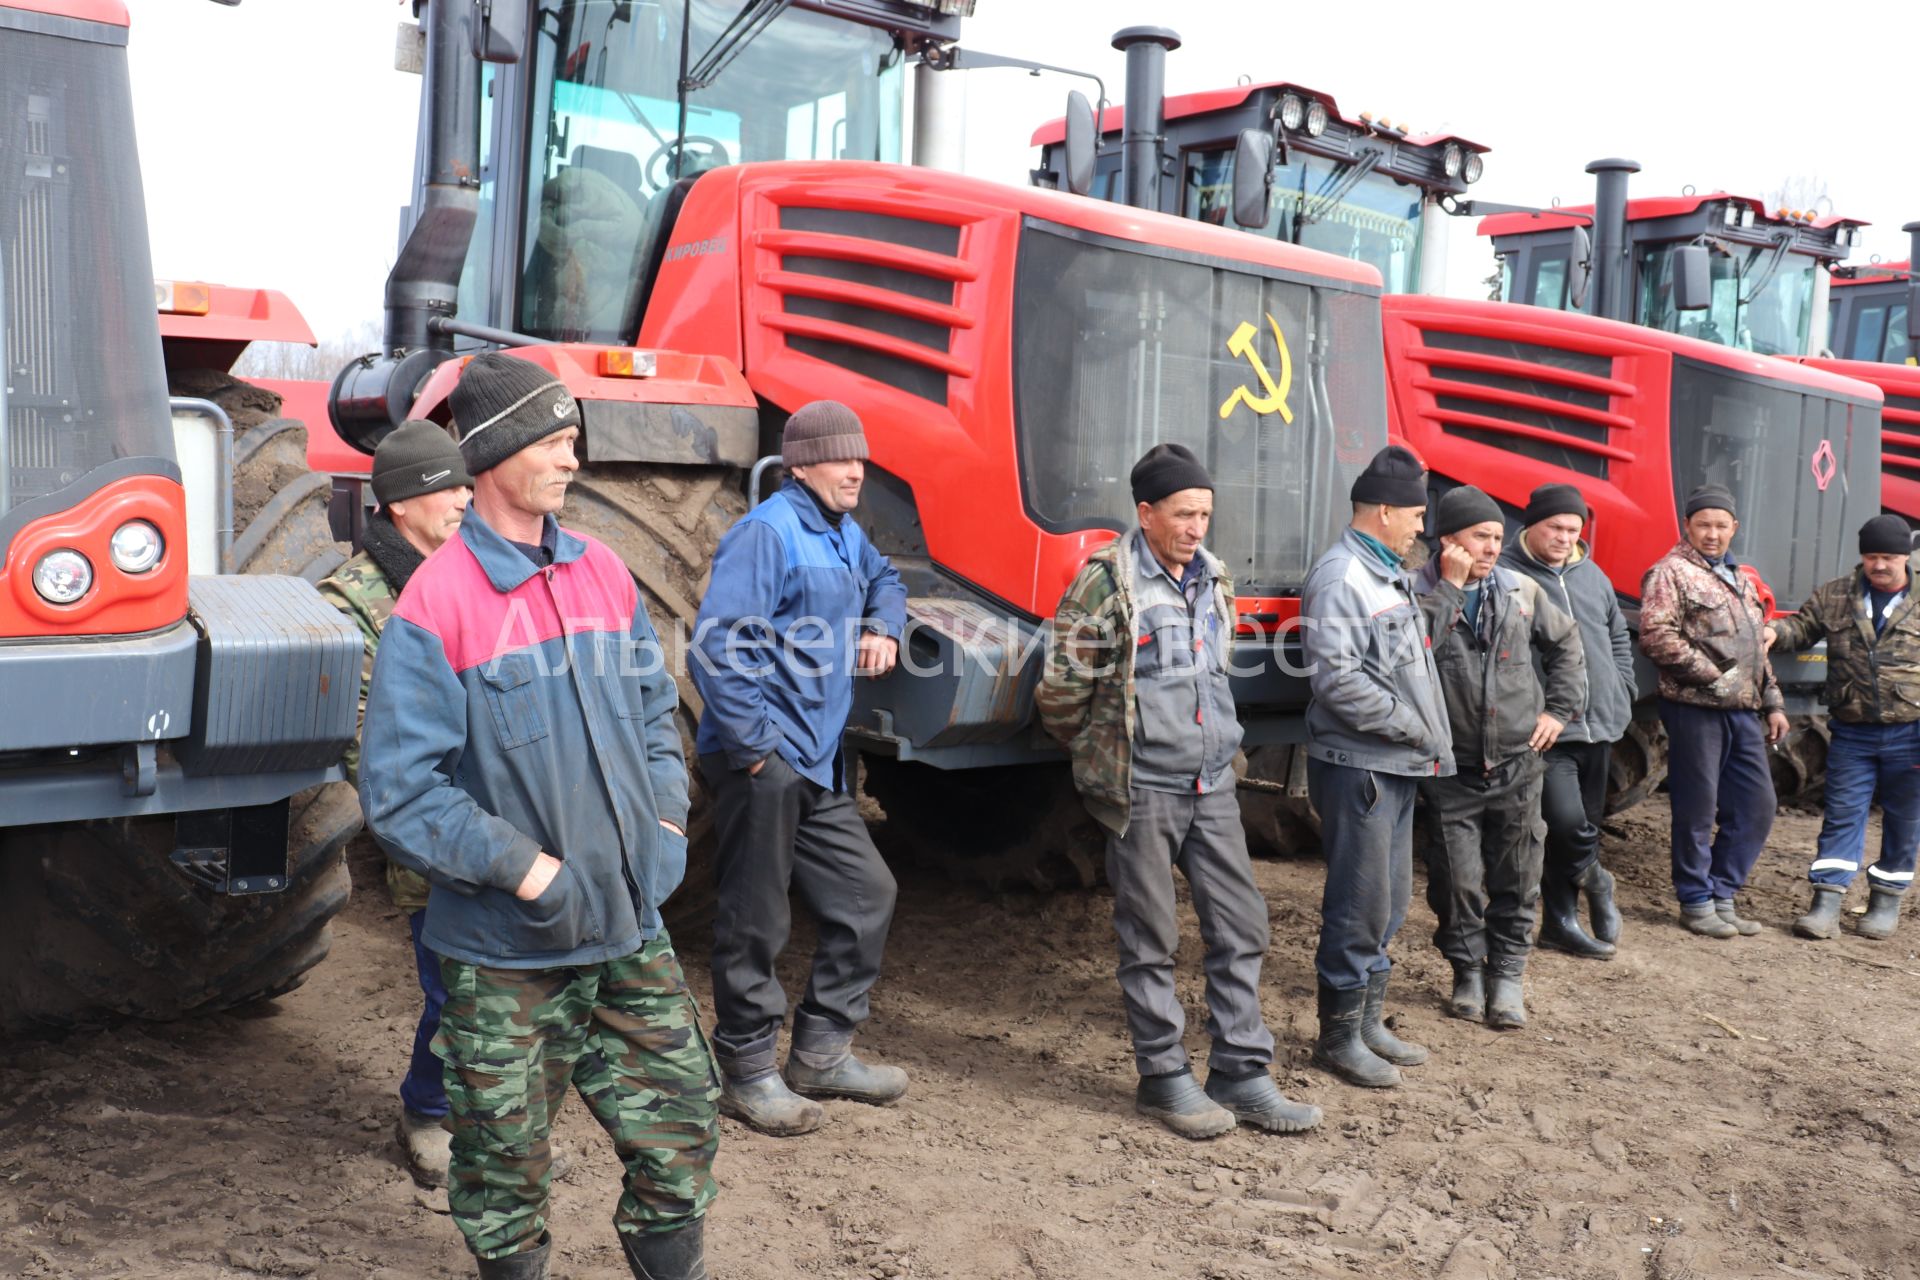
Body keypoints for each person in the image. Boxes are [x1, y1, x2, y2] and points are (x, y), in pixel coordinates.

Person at [360, 352, 717, 1280]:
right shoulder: (436, 604)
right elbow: (401, 790)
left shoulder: (602, 572)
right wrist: (528, 870)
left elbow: (650, 714)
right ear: (497, 450)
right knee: (504, 1173)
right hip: (508, 954)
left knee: (680, 1130)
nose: (572, 459)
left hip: (628, 925)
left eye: (572, 440)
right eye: (554, 441)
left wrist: (667, 826)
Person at [1038, 443, 1322, 1141]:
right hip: (1144, 789)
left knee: (1242, 926)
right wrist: (1109, 756)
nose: (1197, 527)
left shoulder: (1213, 578)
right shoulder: (1107, 584)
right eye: (1183, 513)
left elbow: (1214, 674)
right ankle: (1163, 1078)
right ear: (1146, 513)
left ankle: (1241, 1073)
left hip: (1212, 784)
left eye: (1205, 513)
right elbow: (1062, 693)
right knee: (1150, 937)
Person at [690, 400, 910, 1138]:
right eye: (842, 459)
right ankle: (747, 1074)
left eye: (861, 459)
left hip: (816, 760)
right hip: (766, 759)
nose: (856, 471)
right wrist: (757, 752)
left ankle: (820, 1052)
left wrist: (882, 626)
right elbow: (719, 646)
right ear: (802, 464)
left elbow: (889, 581)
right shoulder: (767, 533)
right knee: (756, 918)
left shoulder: (844, 533)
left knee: (867, 894)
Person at [316, 420, 472, 1188]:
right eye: (450, 488)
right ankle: (427, 1113)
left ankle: (494, 1124)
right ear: (404, 502)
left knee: (509, 987)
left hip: (506, 816)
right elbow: (366, 741)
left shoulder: (473, 574)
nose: (465, 500)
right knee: (454, 987)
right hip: (434, 827)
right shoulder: (355, 602)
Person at [1299, 444, 1451, 1088]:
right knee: (1358, 903)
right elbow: (1337, 680)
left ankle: (1366, 1023)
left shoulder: (1386, 571)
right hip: (1362, 763)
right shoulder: (1341, 578)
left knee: (1387, 903)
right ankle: (1337, 1038)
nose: (1422, 526)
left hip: (1394, 763)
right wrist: (1415, 727)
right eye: (1415, 514)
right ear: (1384, 511)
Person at [1415, 487, 1584, 1030]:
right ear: (1448, 541)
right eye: (1478, 537)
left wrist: (1558, 710)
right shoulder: (1420, 592)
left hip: (1516, 763)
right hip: (1451, 770)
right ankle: (1467, 971)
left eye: (1494, 537)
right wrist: (1450, 586)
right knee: (1456, 881)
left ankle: (1507, 975)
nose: (1491, 548)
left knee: (1518, 873)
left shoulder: (1521, 590)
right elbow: (1414, 645)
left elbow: (1566, 645)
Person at [1639, 484, 1790, 939]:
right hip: (1695, 709)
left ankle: (1722, 892)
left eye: (1721, 525)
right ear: (1688, 525)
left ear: (1733, 528)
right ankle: (1695, 900)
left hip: (1743, 710)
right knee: (1697, 808)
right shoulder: (1670, 573)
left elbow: (1754, 647)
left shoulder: (1740, 577)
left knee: (1757, 805)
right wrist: (1711, 675)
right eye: (1703, 524)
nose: (1712, 533)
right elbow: (1656, 634)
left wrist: (1773, 702)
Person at [1767, 514, 1920, 941]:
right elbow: (1802, 626)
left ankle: (1886, 901)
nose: (1879, 565)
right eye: (1872, 557)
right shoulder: (1837, 595)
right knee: (1842, 815)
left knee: (1906, 819)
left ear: (1904, 557)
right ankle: (1826, 903)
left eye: (1888, 557)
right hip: (1853, 731)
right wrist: (1773, 632)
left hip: (1912, 732)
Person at [1499, 483, 1635, 959]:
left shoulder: (1592, 574)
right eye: (1555, 527)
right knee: (1563, 822)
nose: (1564, 537)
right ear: (1531, 524)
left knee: (1584, 826)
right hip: (1545, 729)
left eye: (1573, 529)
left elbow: (1618, 635)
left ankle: (1560, 922)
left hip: (1600, 723)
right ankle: (1597, 880)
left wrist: (1623, 686)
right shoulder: (1505, 575)